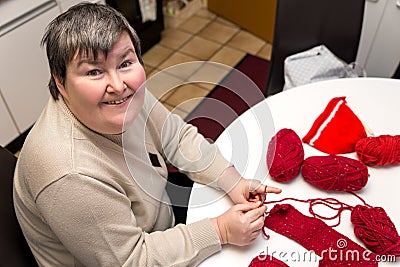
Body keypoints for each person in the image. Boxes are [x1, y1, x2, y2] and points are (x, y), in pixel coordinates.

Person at [13, 3, 281, 266]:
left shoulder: (122, 95)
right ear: (61, 82)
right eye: (94, 72)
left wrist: (233, 181)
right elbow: (132, 260)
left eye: (125, 63)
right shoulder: (69, 175)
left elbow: (175, 137)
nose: (118, 85)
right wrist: (220, 231)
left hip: (156, 220)